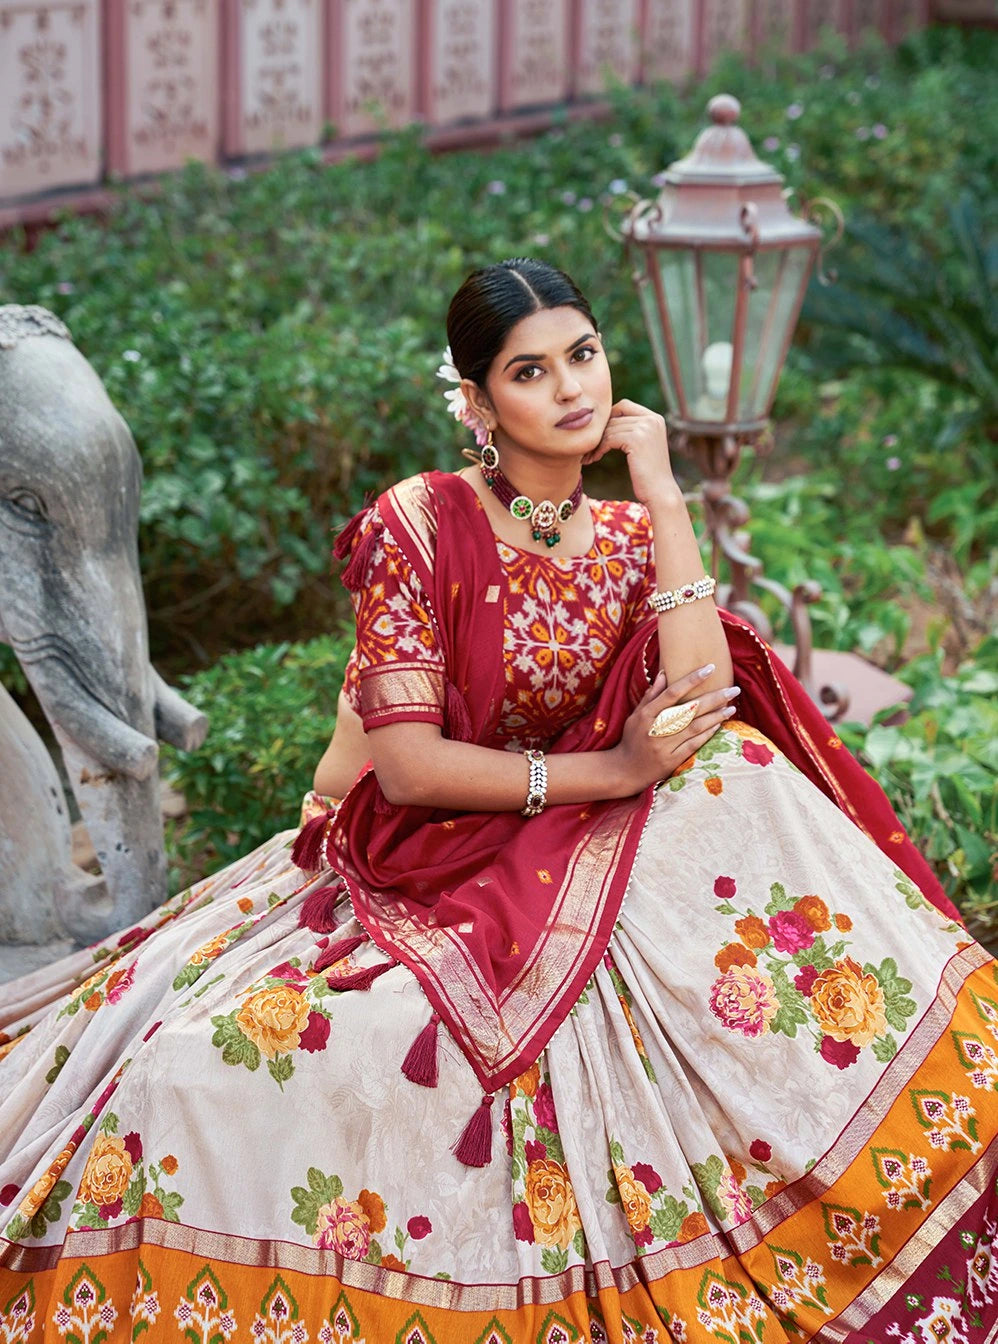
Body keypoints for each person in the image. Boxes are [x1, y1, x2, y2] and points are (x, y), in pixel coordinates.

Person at [0, 258, 994, 1344]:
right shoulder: (419, 524)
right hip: (417, 847)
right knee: (206, 1066)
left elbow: (701, 696)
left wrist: (660, 492)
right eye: (530, 370)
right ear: (476, 404)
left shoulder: (620, 537)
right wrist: (607, 774)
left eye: (583, 354)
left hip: (565, 847)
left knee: (737, 771)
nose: (569, 387)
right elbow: (413, 768)